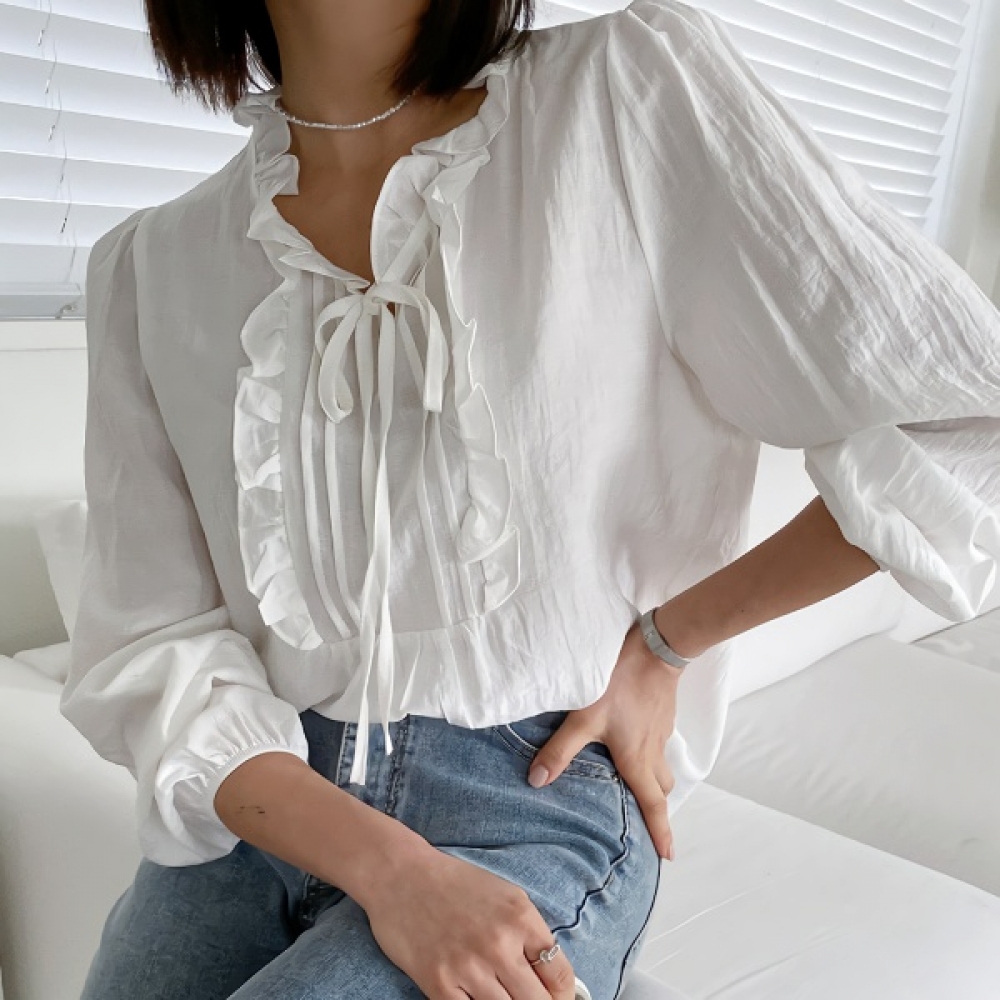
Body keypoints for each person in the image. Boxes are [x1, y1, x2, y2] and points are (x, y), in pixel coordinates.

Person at [64, 0, 1000, 997]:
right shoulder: (152, 263)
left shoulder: (622, 93)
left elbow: (964, 415)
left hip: (530, 795)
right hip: (262, 807)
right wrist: (391, 871)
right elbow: (151, 637)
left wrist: (666, 643)